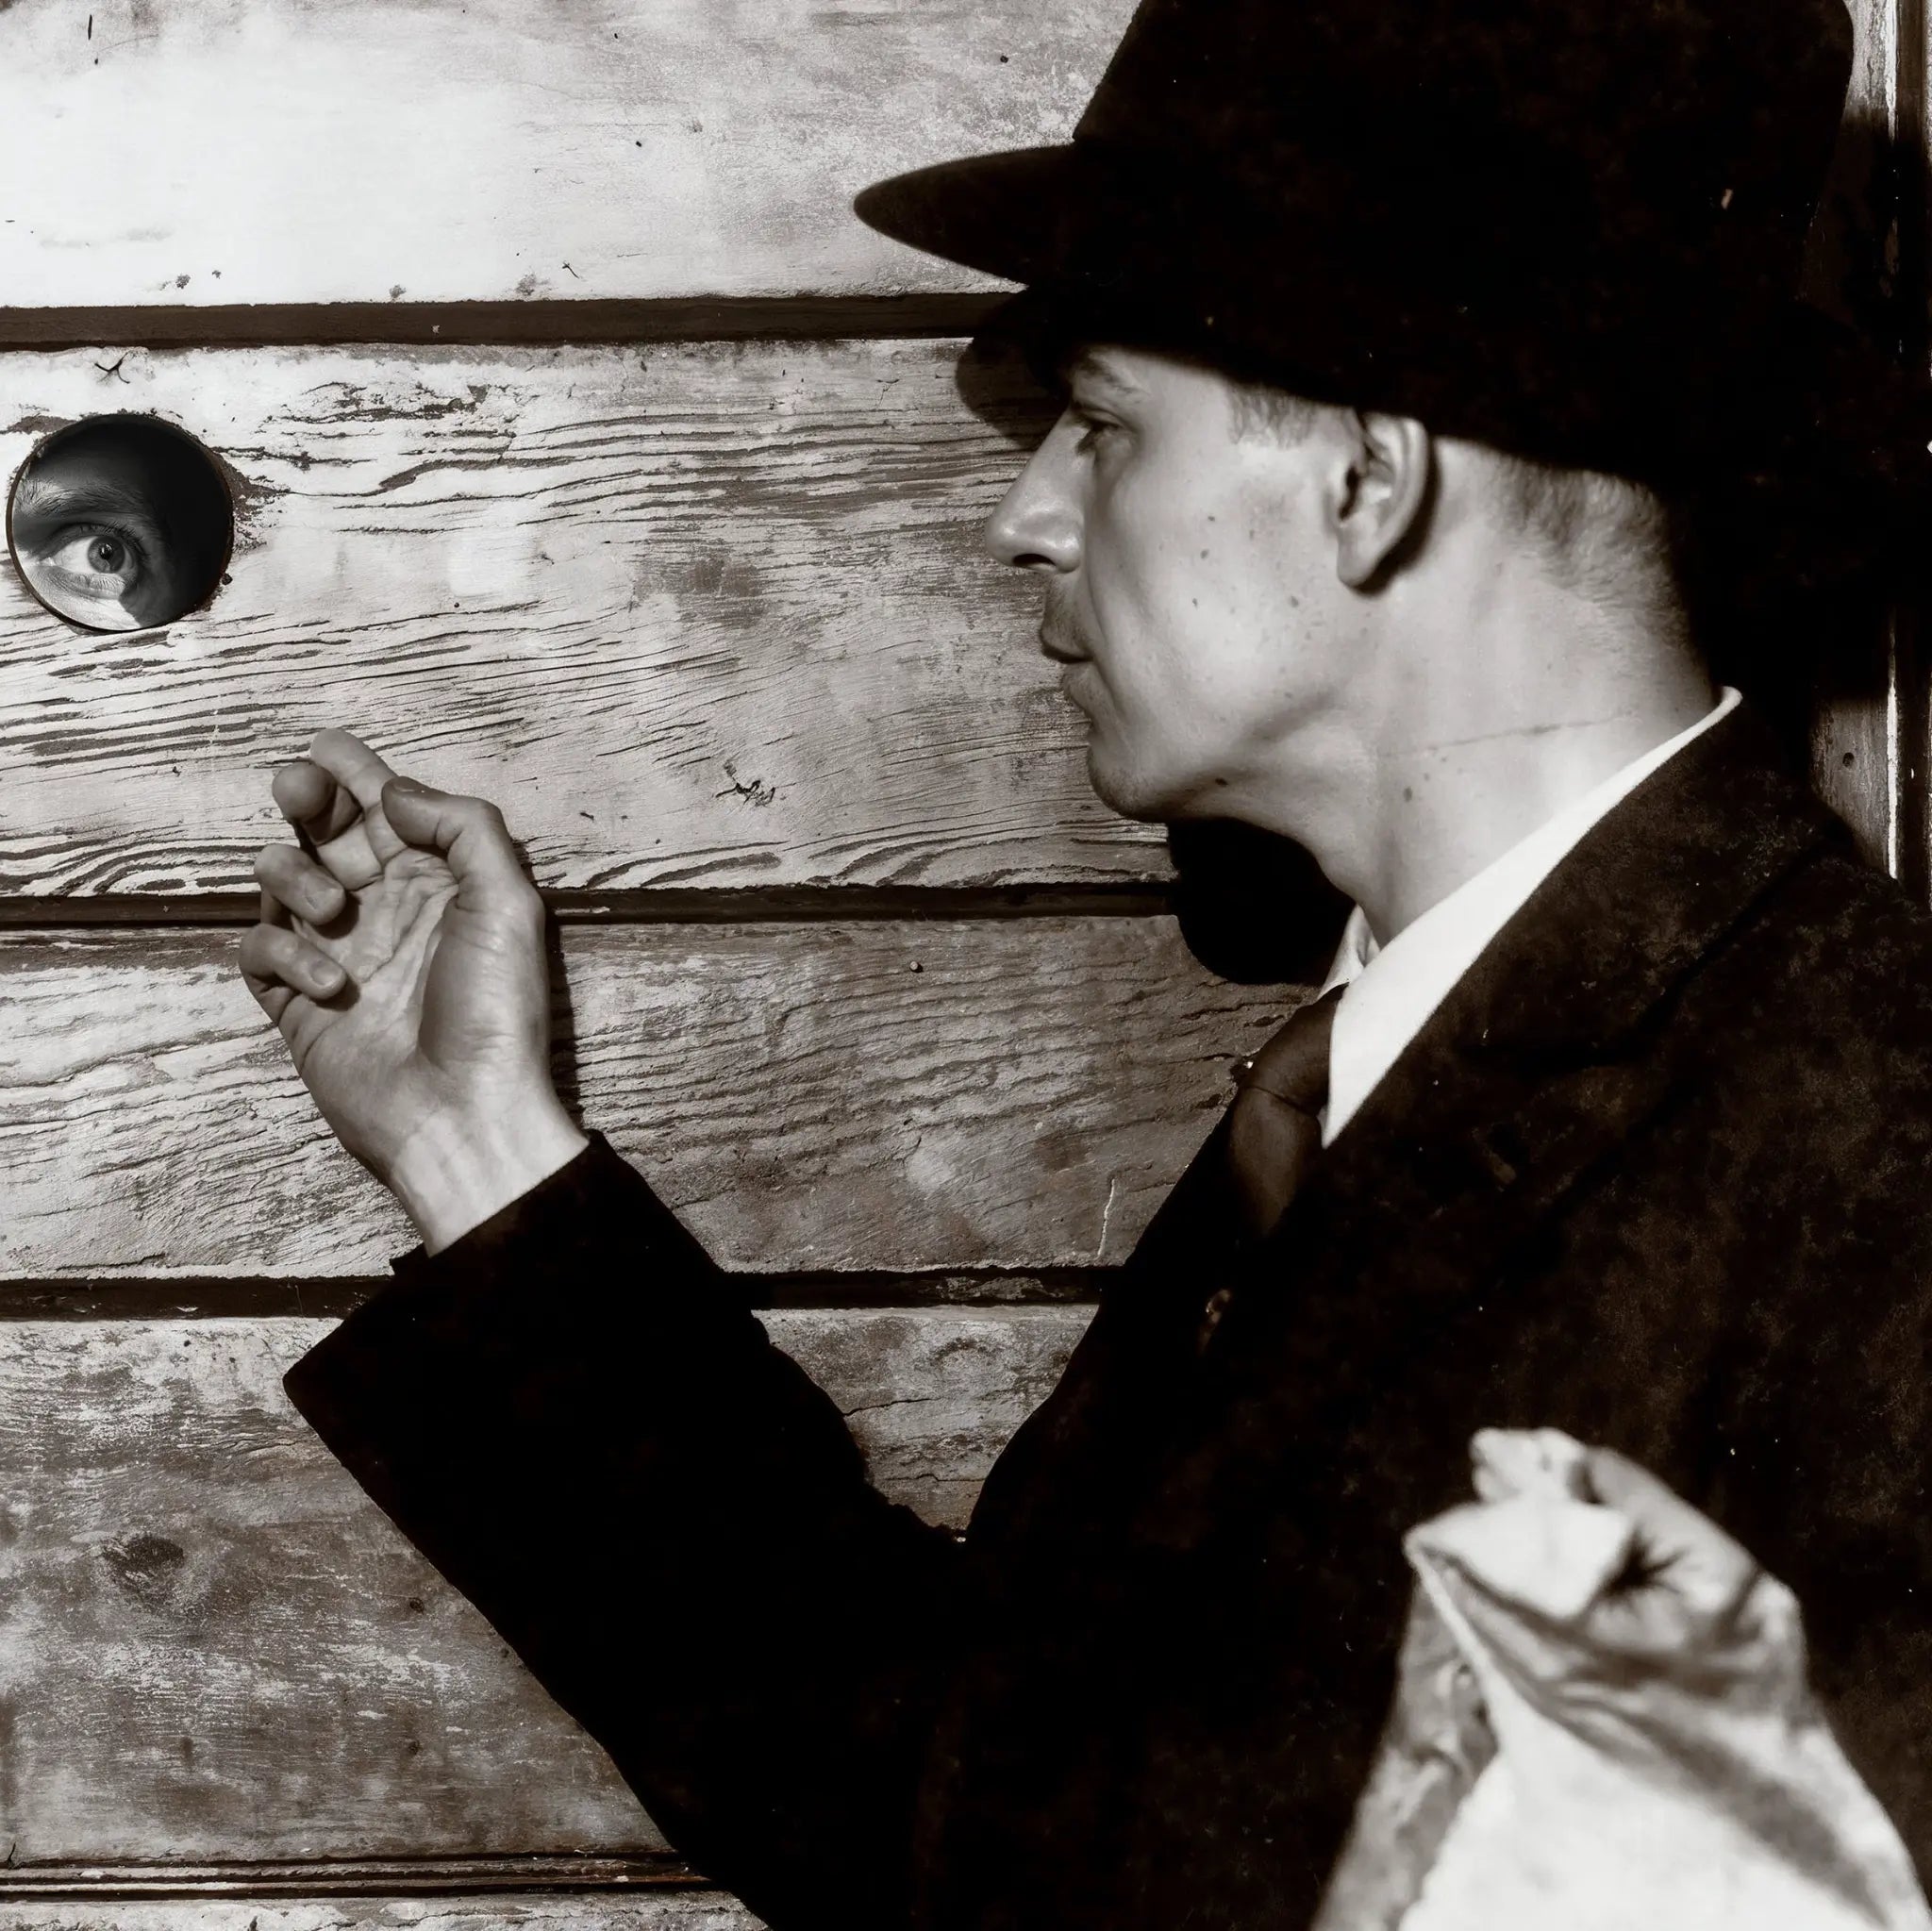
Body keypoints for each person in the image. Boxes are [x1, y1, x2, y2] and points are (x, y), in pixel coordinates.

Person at [241, 0, 1932, 1924]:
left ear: (1372, 479)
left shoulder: (1874, 1167)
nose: (1022, 515)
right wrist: (477, 1147)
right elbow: (1001, 1826)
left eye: (1105, 426)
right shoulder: (1404, 1069)